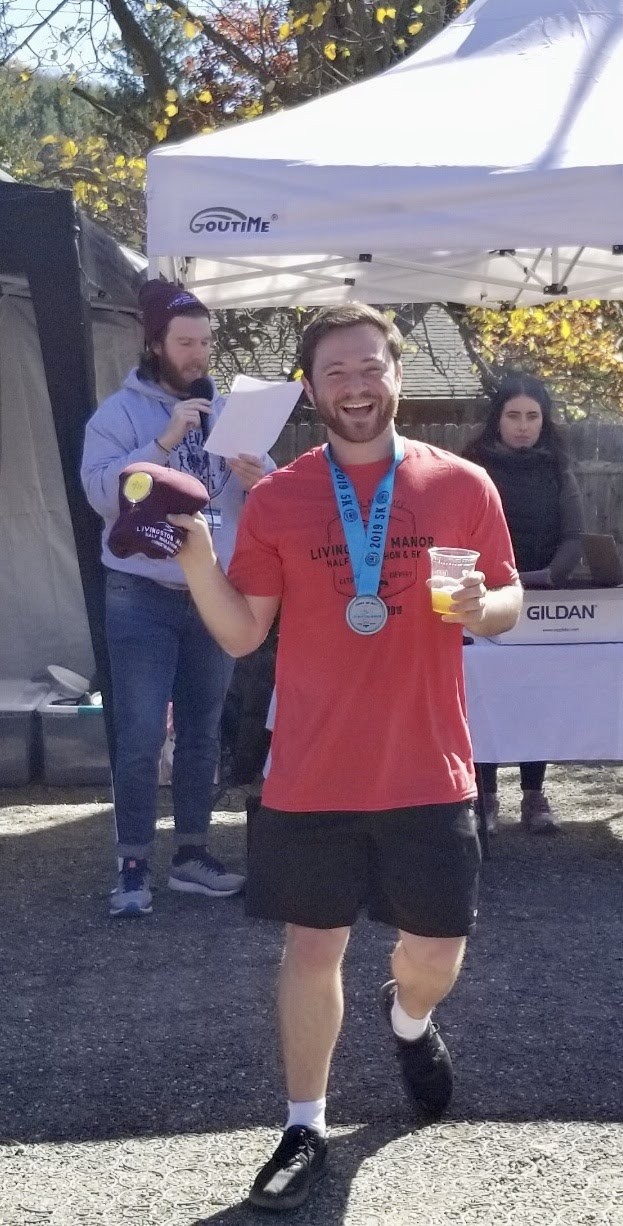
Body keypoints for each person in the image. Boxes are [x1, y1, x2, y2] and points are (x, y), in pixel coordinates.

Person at [168, 302, 522, 1211]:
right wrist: (201, 556)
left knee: (436, 953)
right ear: (310, 389)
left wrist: (481, 608)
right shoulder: (282, 497)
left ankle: (407, 1021)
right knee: (310, 945)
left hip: (427, 766)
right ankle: (302, 1124)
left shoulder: (463, 484)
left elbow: (505, 596)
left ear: (396, 375)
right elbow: (245, 636)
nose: (355, 386)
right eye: (335, 373)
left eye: (370, 368)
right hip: (313, 771)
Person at [81, 279, 274, 916]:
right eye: (186, 342)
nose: (198, 354)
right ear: (156, 343)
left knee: (202, 731)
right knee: (138, 734)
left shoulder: (234, 413)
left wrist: (263, 479)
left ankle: (193, 854)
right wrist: (163, 443)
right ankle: (132, 866)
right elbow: (102, 496)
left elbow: (268, 506)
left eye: (206, 342)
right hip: (141, 592)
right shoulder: (120, 414)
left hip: (213, 591)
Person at [463, 374, 585, 835]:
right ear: (497, 420)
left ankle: (534, 795)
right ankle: (485, 796)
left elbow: (574, 535)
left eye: (532, 416)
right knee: (485, 698)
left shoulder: (557, 468)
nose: (522, 426)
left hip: (541, 600)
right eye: (513, 416)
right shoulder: (471, 466)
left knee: (536, 696)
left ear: (543, 421)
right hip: (482, 599)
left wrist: (550, 576)